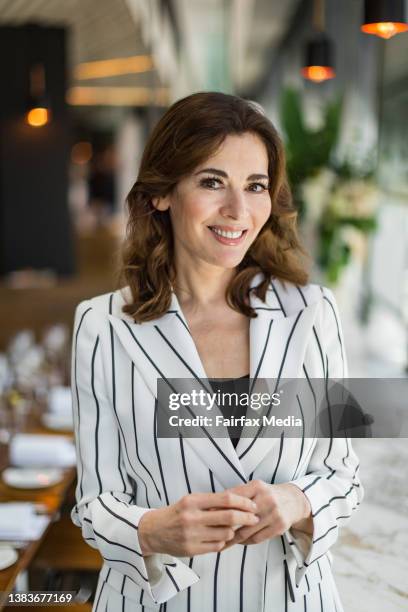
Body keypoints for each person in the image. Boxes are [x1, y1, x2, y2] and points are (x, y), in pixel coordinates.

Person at [70, 92, 363, 612]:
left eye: (255, 186)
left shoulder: (314, 314)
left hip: (288, 599)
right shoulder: (103, 326)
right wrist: (151, 528)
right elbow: (94, 506)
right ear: (162, 194)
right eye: (212, 182)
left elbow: (343, 476)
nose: (238, 211)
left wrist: (297, 502)